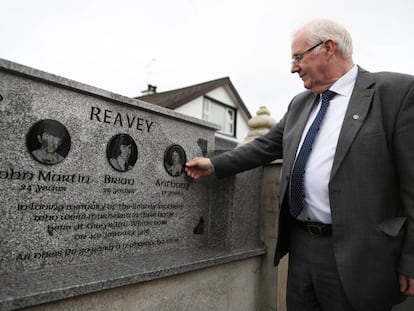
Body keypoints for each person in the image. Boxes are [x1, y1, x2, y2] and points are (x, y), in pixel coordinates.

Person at [185, 19, 414, 311]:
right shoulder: (300, 104)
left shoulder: (395, 93)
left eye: (298, 57)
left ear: (328, 48)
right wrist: (215, 165)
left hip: (362, 254)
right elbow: (264, 147)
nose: (293, 67)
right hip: (302, 246)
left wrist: (411, 258)